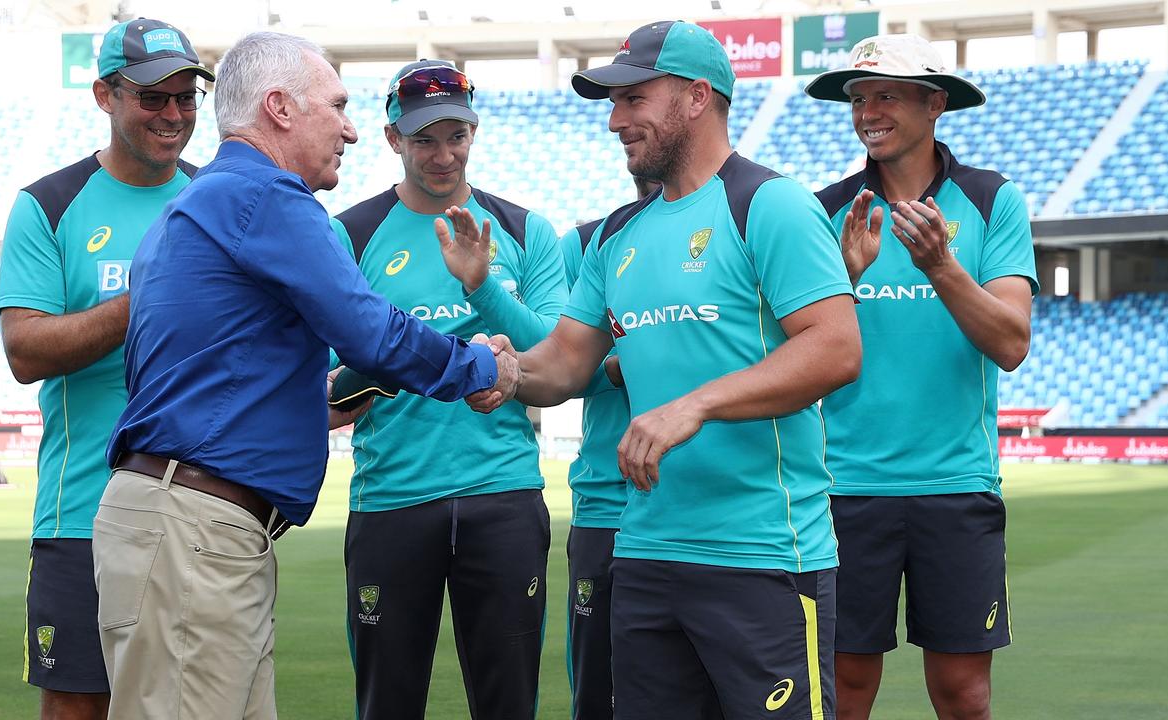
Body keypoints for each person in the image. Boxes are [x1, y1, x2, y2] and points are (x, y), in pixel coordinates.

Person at [92, 32, 517, 720]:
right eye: (339, 105)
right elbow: (369, 332)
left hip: (188, 524)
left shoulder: (192, 207)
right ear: (281, 108)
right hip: (196, 531)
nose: (350, 128)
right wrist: (475, 364)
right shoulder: (268, 201)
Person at [473, 20, 862, 719]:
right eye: (612, 103)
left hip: (763, 557)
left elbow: (835, 348)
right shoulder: (618, 234)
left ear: (695, 97)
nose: (616, 120)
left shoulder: (769, 204)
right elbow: (562, 361)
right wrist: (507, 373)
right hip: (645, 553)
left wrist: (694, 405)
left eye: (633, 99)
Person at [805, 34, 1037, 720]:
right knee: (844, 690)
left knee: (964, 694)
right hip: (845, 487)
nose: (867, 111)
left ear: (935, 104)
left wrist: (940, 265)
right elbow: (795, 341)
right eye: (858, 97)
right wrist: (842, 277)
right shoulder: (826, 211)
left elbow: (1012, 343)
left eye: (886, 95)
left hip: (955, 487)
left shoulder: (991, 200)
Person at [329, 59, 567, 720]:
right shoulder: (347, 235)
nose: (442, 154)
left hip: (503, 496)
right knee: (387, 704)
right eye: (424, 138)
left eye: (455, 134)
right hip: (393, 500)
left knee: (508, 705)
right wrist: (403, 363)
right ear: (392, 139)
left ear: (474, 131)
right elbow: (317, 398)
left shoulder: (524, 231)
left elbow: (554, 360)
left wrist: (482, 288)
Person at [0, 17, 212, 720]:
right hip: (81, 514)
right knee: (77, 708)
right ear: (105, 96)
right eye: (153, 98)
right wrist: (144, 295)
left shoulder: (221, 200)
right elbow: (25, 351)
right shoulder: (49, 206)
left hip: (202, 515)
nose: (173, 114)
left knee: (193, 707)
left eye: (186, 97)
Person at [557, 175, 658, 720]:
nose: (623, 123)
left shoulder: (741, 221)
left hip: (702, 510)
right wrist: (624, 364)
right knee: (596, 693)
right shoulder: (589, 242)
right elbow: (564, 364)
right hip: (605, 504)